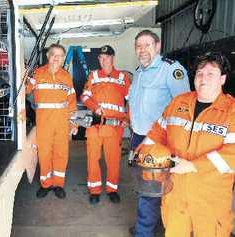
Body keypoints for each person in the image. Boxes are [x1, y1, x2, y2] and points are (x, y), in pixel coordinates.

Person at [136, 52, 235, 237]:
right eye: (199, 73)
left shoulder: (232, 111)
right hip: (175, 194)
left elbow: (232, 154)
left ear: (222, 78)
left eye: (211, 73)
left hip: (209, 201)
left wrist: (192, 166)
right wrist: (142, 153)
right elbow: (156, 134)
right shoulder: (178, 103)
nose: (203, 78)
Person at [129, 30, 190, 236]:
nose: (142, 50)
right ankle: (150, 225)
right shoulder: (138, 72)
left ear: (157, 46)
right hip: (139, 137)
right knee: (147, 187)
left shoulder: (171, 70)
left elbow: (185, 108)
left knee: (152, 189)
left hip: (159, 142)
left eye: (147, 45)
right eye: (139, 46)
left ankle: (143, 231)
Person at [26, 43, 77, 199]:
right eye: (54, 55)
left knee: (61, 154)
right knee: (44, 154)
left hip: (62, 123)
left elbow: (72, 100)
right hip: (44, 123)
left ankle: (58, 185)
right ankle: (46, 184)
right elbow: (25, 91)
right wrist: (24, 76)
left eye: (61, 56)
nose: (57, 58)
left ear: (63, 59)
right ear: (48, 56)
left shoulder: (66, 76)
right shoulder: (37, 74)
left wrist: (72, 122)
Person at [80, 45, 130, 204]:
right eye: (101, 58)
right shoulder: (93, 76)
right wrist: (95, 107)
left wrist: (127, 120)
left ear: (112, 58)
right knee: (92, 158)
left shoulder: (123, 77)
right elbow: (85, 96)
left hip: (114, 127)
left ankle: (112, 189)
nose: (103, 60)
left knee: (113, 160)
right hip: (95, 126)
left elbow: (131, 101)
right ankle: (94, 190)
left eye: (106, 57)